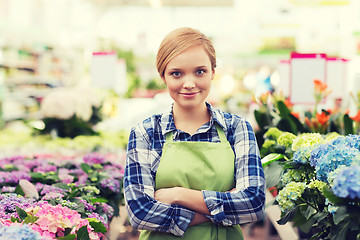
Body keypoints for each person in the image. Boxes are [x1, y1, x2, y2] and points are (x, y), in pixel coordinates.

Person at [124, 27, 265, 240]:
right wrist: (223, 207)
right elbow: (140, 212)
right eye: (176, 73)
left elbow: (253, 203)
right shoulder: (145, 133)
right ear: (163, 76)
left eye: (200, 71)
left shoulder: (237, 129)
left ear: (213, 73)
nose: (189, 84)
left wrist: (178, 195)